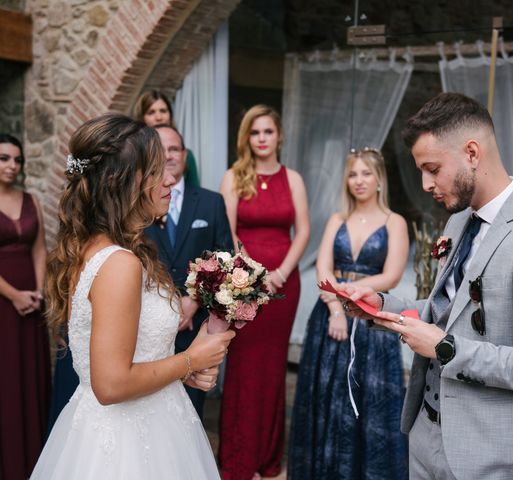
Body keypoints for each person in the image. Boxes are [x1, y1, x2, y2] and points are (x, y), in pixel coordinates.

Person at [341, 93, 513, 480]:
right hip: (425, 435)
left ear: (472, 153)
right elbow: (448, 315)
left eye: (433, 168)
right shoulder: (458, 221)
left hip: (491, 455)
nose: (425, 184)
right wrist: (382, 304)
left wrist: (446, 349)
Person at [31, 114, 235, 479]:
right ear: (121, 182)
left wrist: (177, 371)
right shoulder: (119, 263)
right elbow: (110, 384)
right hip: (126, 443)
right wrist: (189, 360)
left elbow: (131, 353)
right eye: (157, 172)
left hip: (151, 418)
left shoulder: (101, 247)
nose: (171, 180)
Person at [288, 148, 410, 479]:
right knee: (327, 396)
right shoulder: (336, 220)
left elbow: (391, 275)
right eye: (353, 174)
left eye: (366, 173)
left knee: (368, 399)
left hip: (371, 318)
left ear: (379, 179)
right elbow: (323, 269)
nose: (359, 181)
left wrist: (351, 295)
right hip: (330, 318)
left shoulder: (394, 222)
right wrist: (336, 309)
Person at [218, 104, 310, 479]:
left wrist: (282, 272)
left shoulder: (295, 180)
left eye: (267, 132)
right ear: (247, 138)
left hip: (285, 286)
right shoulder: (234, 177)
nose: (261, 139)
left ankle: (268, 460)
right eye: (255, 133)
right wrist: (254, 275)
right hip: (244, 286)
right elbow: (230, 232)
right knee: (243, 367)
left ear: (279, 136)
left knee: (273, 370)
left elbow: (303, 231)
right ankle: (239, 461)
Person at [145, 124, 233, 419]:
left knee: (188, 414)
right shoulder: (138, 204)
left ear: (184, 155)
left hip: (194, 327)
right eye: (161, 149)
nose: (168, 156)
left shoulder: (210, 202)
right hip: (146, 327)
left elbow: (225, 260)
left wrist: (194, 299)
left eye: (174, 149)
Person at [0, 133, 51, 479]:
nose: (12, 166)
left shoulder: (31, 199)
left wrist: (39, 291)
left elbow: (40, 249)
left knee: (30, 380)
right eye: (4, 158)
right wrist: (14, 295)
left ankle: (33, 462)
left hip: (31, 307)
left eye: (17, 160)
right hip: (3, 305)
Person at [133, 90, 200, 186]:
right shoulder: (133, 154)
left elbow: (196, 194)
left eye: (163, 111)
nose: (159, 117)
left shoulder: (185, 156)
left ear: (170, 115)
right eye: (151, 112)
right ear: (142, 117)